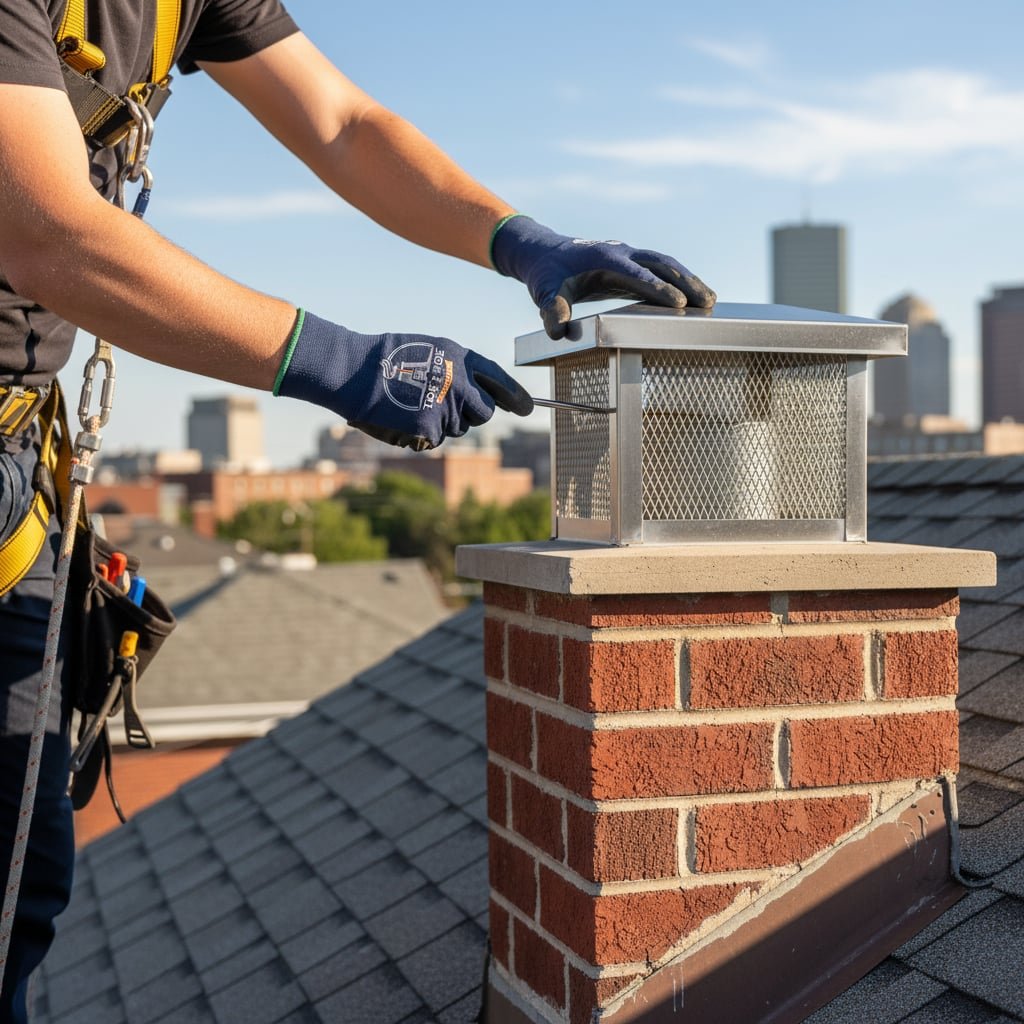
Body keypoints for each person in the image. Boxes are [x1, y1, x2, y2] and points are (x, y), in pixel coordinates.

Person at [0, 1, 716, 1017]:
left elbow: (341, 124)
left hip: (17, 467)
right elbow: (50, 235)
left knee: (18, 883)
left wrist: (516, 240)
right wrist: (346, 365)